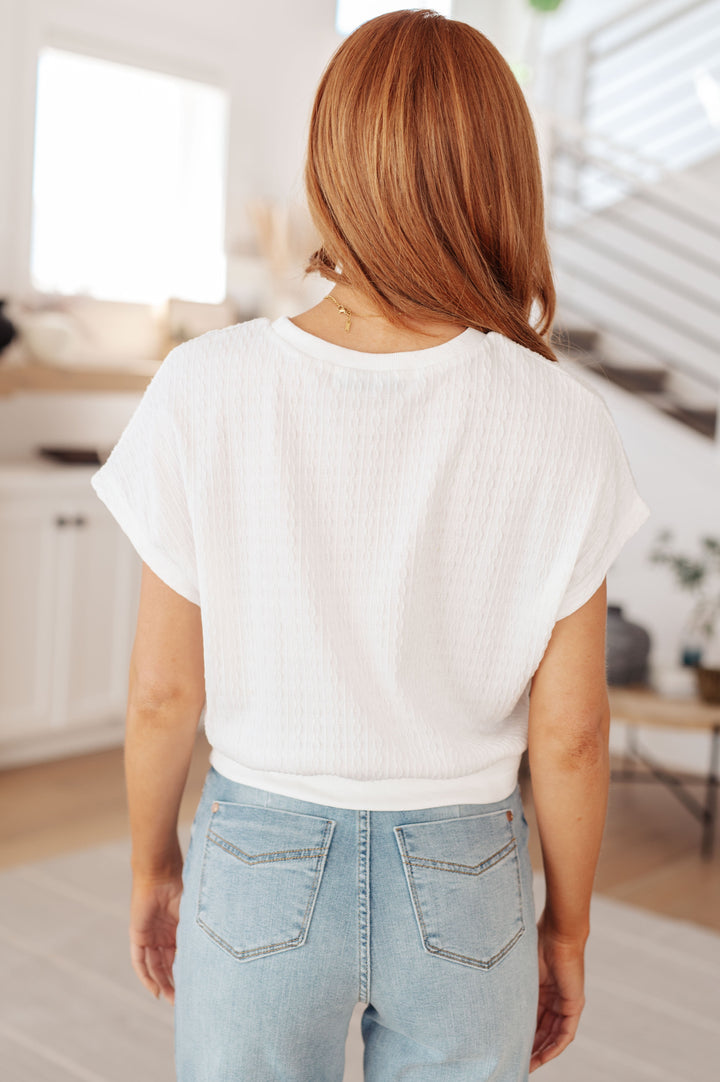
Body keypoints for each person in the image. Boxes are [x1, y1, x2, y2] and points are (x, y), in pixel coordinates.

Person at [90, 9, 651, 1082]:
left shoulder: (206, 387)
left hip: (255, 856)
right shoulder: (562, 418)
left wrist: (152, 854)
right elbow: (573, 734)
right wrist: (565, 925)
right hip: (469, 870)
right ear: (502, 180)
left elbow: (165, 691)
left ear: (331, 166)